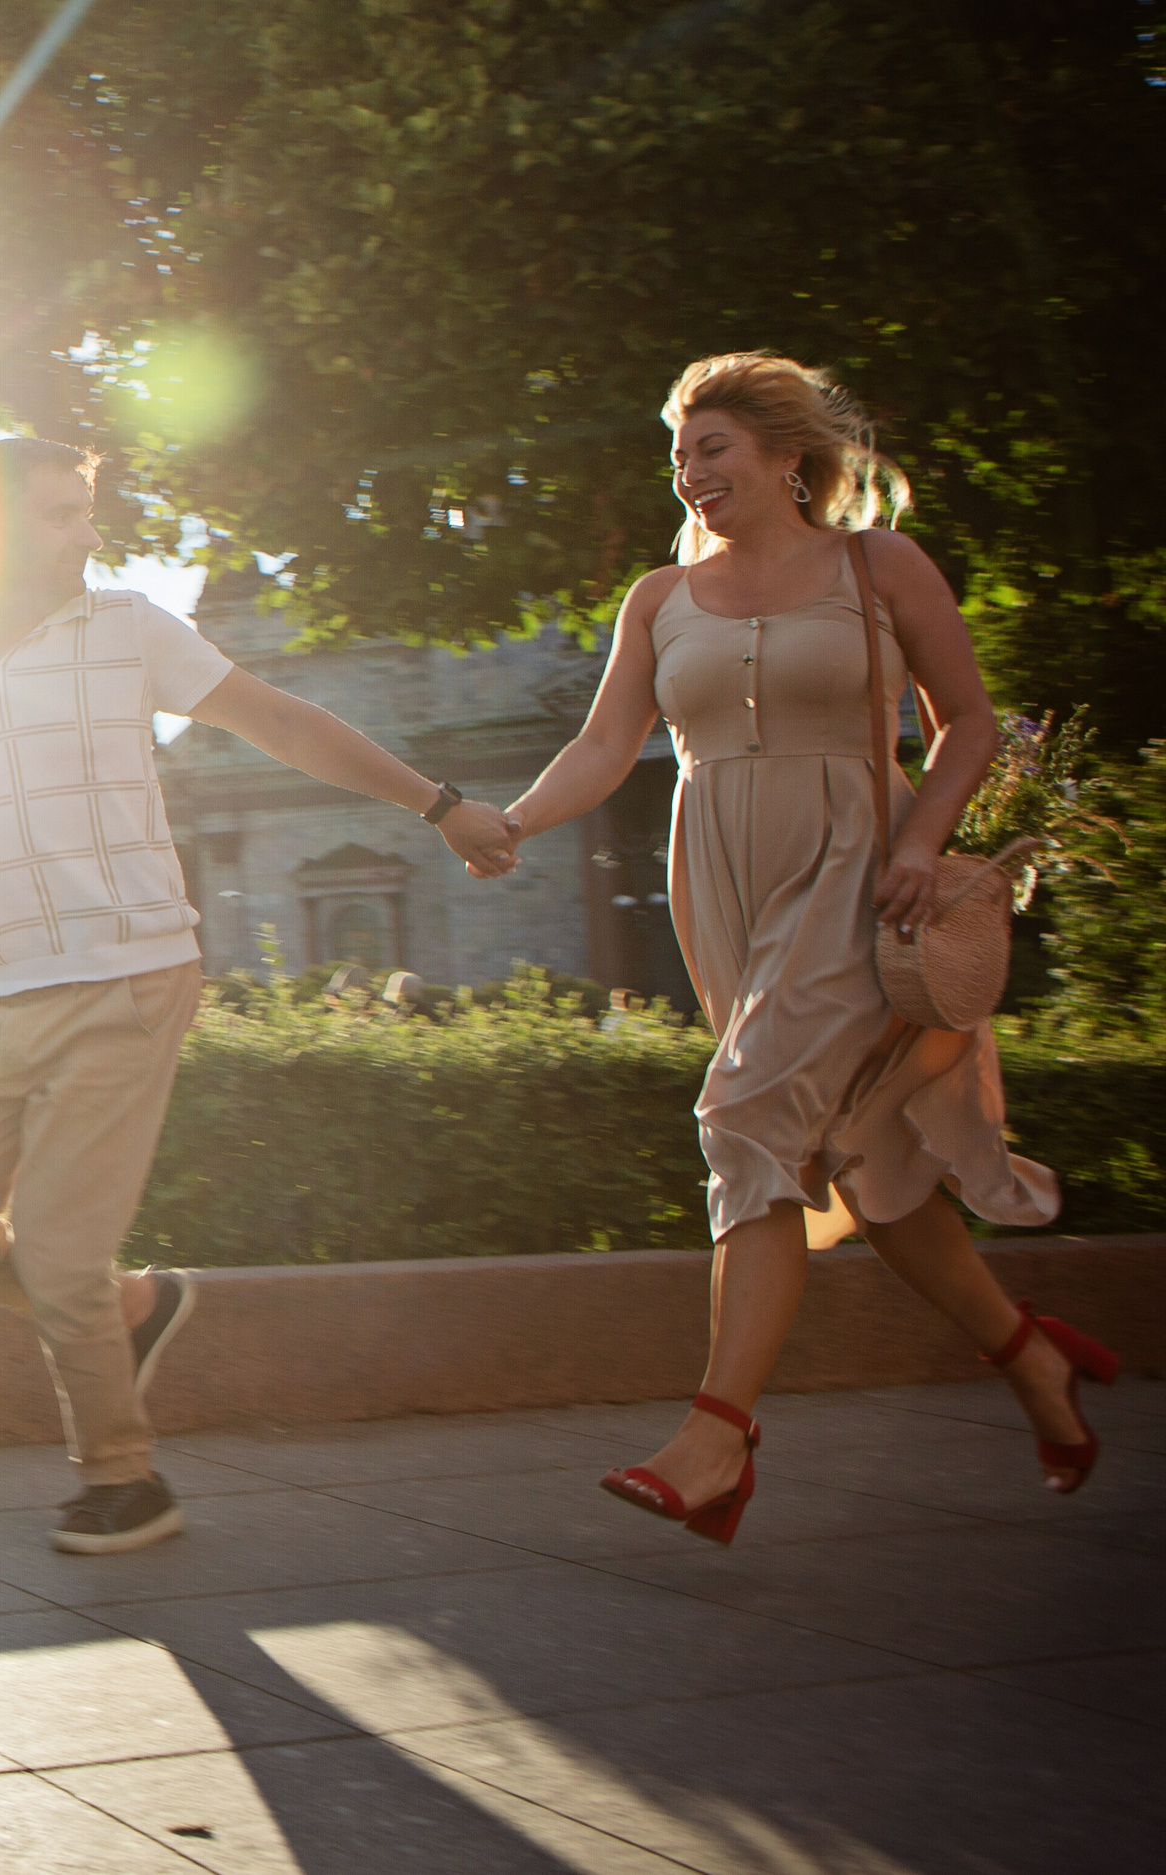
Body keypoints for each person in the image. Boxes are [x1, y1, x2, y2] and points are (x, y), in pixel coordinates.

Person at [0, 436, 520, 1555]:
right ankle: (133, 1311)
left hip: (131, 972)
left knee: (51, 1243)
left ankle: (124, 1480)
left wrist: (438, 805)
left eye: (87, 512)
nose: (89, 533)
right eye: (59, 514)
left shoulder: (126, 627)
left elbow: (276, 720)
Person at [503, 352, 1111, 1544]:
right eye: (679, 454)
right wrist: (509, 824)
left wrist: (925, 841)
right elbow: (602, 746)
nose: (690, 472)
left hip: (856, 873)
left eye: (713, 447)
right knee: (866, 1169)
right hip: (722, 881)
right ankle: (1035, 1361)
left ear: (789, 458)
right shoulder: (655, 600)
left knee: (741, 1119)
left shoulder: (874, 565)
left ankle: (717, 1436)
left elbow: (968, 720)